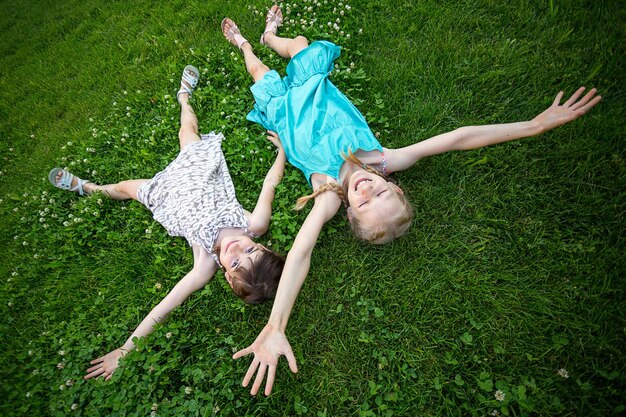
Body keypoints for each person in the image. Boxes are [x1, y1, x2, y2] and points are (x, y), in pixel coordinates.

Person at [222, 5, 602, 396]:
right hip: (314, 85)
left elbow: (301, 252)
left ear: (350, 212)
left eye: (366, 203)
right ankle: (272, 36)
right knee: (299, 46)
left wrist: (276, 325)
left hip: (285, 114)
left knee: (259, 73)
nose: (367, 190)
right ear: (395, 185)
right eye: (382, 191)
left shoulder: (330, 196)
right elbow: (458, 138)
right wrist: (534, 125)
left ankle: (246, 44)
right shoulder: (385, 159)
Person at [49, 65, 287, 380]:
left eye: (235, 262)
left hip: (168, 198)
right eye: (251, 250)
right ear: (261, 243)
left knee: (125, 188)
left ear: (228, 277)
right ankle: (184, 96)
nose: (237, 248)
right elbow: (269, 184)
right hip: (198, 170)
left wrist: (126, 348)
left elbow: (167, 303)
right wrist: (282, 153)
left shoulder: (204, 265)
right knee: (187, 130)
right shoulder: (253, 223)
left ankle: (88, 188)